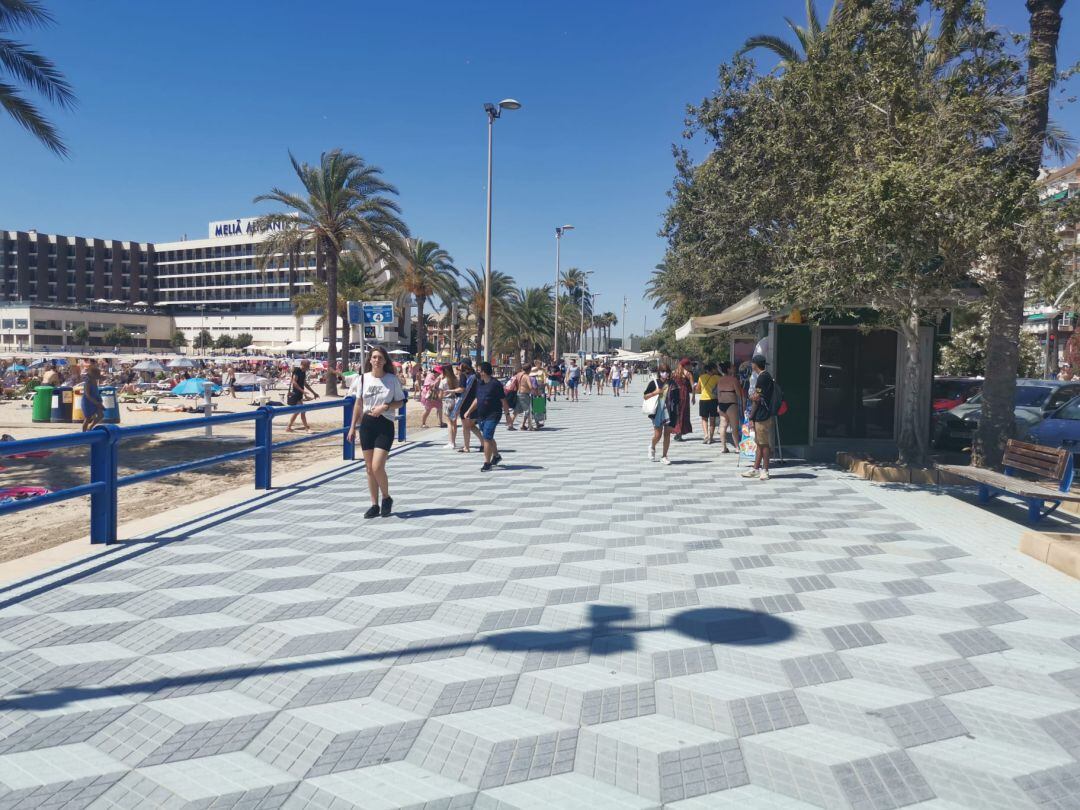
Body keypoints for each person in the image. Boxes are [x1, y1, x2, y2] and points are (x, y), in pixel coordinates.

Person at [347, 346, 407, 518]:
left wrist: (385, 407)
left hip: (385, 424)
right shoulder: (362, 379)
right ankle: (374, 504)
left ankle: (386, 498)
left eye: (380, 357)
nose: (377, 360)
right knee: (368, 468)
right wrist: (352, 427)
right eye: (374, 357)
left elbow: (401, 402)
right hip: (367, 424)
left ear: (385, 360)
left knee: (377, 466)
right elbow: (358, 404)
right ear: (370, 360)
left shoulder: (391, 380)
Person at [465, 361, 509, 471]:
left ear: (484, 372)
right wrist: (469, 411)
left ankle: (487, 463)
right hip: (482, 415)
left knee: (487, 437)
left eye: (479, 370)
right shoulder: (480, 383)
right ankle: (497, 456)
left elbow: (503, 400)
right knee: (488, 437)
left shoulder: (496, 384)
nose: (477, 372)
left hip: (493, 414)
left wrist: (508, 416)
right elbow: (477, 399)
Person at [742, 354, 774, 481]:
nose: (751, 365)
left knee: (764, 444)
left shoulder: (762, 378)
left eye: (752, 363)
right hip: (762, 414)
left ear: (755, 364)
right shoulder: (766, 376)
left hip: (762, 415)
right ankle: (756, 469)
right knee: (759, 444)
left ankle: (765, 470)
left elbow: (757, 399)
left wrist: (751, 417)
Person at [644, 363, 679, 464]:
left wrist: (678, 413)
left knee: (667, 434)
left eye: (667, 372)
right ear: (659, 372)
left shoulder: (673, 384)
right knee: (658, 435)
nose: (665, 373)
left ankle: (664, 456)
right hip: (657, 412)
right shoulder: (654, 383)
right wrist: (655, 393)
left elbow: (677, 400)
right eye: (663, 371)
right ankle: (652, 446)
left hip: (670, 412)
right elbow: (645, 397)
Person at [716, 361, 745, 453]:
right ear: (728, 369)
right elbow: (739, 394)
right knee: (734, 427)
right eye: (732, 367)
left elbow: (718, 393)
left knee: (723, 425)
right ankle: (737, 447)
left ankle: (723, 447)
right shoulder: (733, 380)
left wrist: (718, 404)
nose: (734, 368)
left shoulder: (720, 380)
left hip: (721, 404)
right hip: (731, 404)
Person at [285, 359, 319, 432]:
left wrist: (314, 393)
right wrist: (303, 391)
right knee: (302, 411)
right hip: (295, 393)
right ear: (303, 365)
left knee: (297, 412)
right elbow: (294, 382)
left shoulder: (303, 372)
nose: (308, 367)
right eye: (307, 366)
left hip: (299, 394)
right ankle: (307, 428)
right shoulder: (297, 370)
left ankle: (289, 427)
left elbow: (305, 384)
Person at [456, 359, 483, 453]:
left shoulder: (464, 375)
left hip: (465, 403)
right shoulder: (476, 375)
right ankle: (483, 443)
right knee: (471, 426)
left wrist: (450, 391)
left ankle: (466, 447)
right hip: (476, 403)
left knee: (466, 427)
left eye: (459, 365)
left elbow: (461, 389)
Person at [695, 362, 721, 445]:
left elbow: (698, 390)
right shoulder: (718, 378)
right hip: (714, 400)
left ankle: (706, 435)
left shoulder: (701, 377)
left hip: (703, 400)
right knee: (712, 419)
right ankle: (711, 437)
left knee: (704, 419)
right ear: (713, 369)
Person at [440, 365, 463, 449]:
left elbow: (441, 395)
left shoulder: (443, 381)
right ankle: (454, 441)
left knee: (449, 423)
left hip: (446, 401)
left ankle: (451, 442)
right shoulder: (456, 379)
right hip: (455, 400)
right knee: (454, 422)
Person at [673, 359, 695, 441]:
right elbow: (693, 387)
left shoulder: (675, 373)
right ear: (685, 365)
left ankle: (677, 431)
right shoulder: (689, 374)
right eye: (689, 365)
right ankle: (679, 433)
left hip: (676, 394)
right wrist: (693, 397)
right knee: (683, 413)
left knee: (677, 413)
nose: (690, 366)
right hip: (684, 395)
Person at [81, 365, 104, 432]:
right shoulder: (87, 382)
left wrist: (99, 400)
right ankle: (83, 433)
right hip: (87, 402)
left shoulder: (94, 380)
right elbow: (87, 395)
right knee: (87, 418)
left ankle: (90, 427)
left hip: (95, 400)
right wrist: (96, 403)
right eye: (97, 375)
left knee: (101, 415)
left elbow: (96, 391)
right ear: (93, 375)